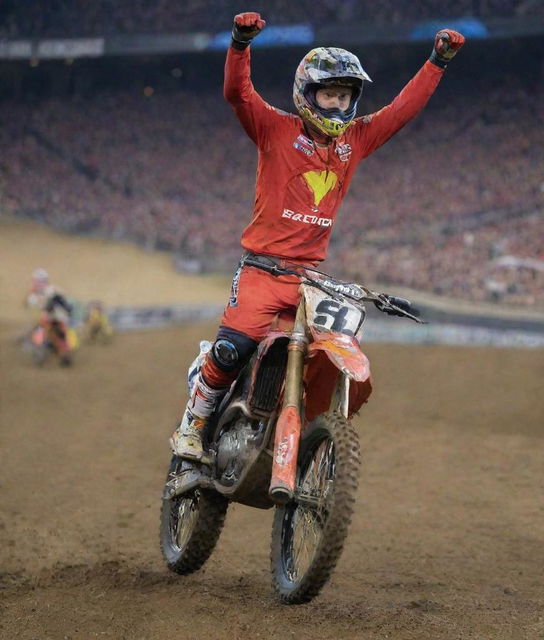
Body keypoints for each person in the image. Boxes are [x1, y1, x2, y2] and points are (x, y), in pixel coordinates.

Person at [171, 11, 465, 459]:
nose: (337, 104)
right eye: (328, 94)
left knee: (323, 358)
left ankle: (302, 434)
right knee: (232, 350)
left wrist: (437, 63)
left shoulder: (355, 141)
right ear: (308, 94)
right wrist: (239, 45)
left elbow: (401, 111)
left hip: (310, 281)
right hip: (261, 272)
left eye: (344, 96)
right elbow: (238, 94)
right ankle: (194, 424)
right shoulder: (275, 130)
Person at [25, 268, 75, 365]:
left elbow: (63, 303)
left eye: (40, 281)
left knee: (60, 336)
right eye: (37, 281)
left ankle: (57, 352)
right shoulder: (35, 295)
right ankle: (47, 351)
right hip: (50, 320)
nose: (38, 283)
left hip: (57, 319)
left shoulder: (52, 291)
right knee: (42, 333)